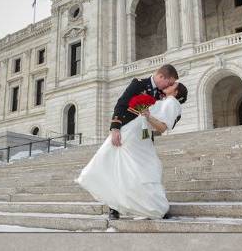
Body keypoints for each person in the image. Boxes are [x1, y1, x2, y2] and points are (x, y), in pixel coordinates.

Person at [74, 81, 188, 220]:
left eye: (171, 86)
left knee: (136, 169)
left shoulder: (171, 103)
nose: (167, 86)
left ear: (176, 92)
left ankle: (147, 206)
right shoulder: (160, 97)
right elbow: (123, 105)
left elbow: (162, 127)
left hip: (139, 135)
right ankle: (121, 206)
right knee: (129, 168)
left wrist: (147, 116)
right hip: (134, 133)